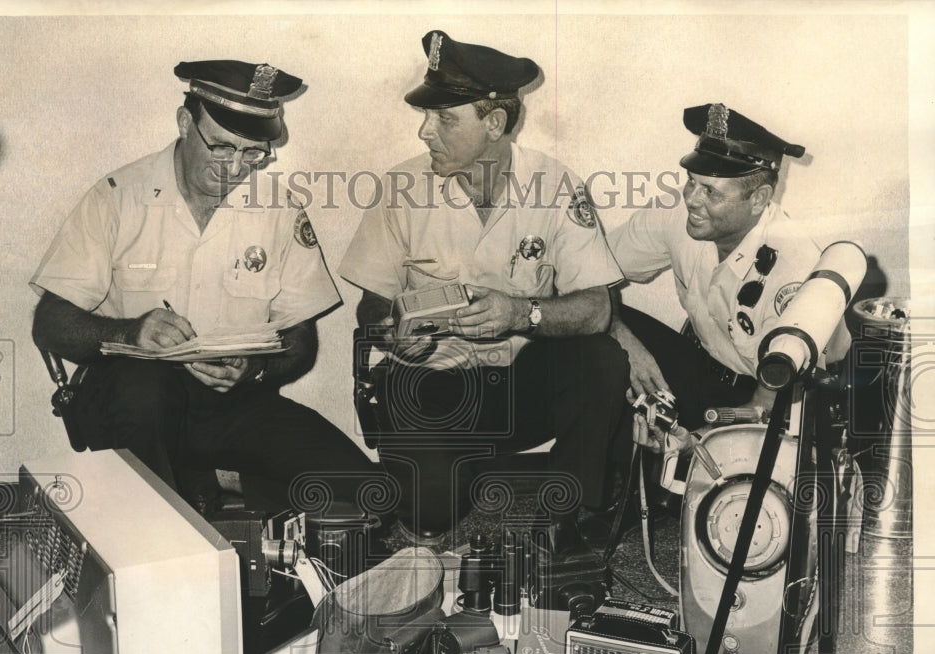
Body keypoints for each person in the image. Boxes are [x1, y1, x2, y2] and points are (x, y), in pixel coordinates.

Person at [30, 59, 377, 518]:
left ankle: (205, 482)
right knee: (144, 395)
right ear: (183, 122)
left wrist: (254, 370)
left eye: (254, 152)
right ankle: (170, 519)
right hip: (131, 401)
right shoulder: (117, 197)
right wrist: (130, 333)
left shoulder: (278, 210)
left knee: (371, 495)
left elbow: (300, 341)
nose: (235, 168)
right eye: (221, 147)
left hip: (231, 403)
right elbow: (50, 324)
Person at [338, 31, 629, 554]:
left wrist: (521, 314)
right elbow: (371, 304)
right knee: (427, 512)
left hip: (523, 381)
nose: (426, 132)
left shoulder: (556, 185)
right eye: (427, 117)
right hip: (432, 382)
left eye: (445, 118)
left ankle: (568, 514)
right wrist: (389, 330)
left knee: (599, 359)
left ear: (494, 123)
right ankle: (447, 482)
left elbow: (600, 308)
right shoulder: (400, 188)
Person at [606, 102, 851, 455]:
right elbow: (593, 268)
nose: (691, 199)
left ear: (759, 199)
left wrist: (694, 443)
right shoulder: (678, 215)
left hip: (782, 406)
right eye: (692, 182)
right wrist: (619, 333)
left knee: (708, 486)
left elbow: (767, 405)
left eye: (711, 192)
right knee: (598, 324)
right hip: (707, 373)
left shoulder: (793, 271)